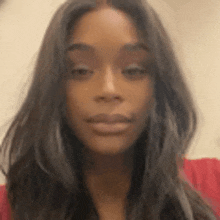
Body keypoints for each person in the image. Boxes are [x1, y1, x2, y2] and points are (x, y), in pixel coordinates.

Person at [0, 0, 219, 219]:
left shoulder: (213, 182)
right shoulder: (9, 207)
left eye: (133, 70)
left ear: (160, 84)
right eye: (81, 71)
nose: (108, 90)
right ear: (53, 86)